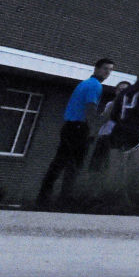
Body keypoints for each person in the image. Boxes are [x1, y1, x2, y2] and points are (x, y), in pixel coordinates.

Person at [35, 57, 113, 208]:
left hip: (69, 126)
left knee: (60, 162)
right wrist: (97, 125)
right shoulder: (95, 86)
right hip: (78, 127)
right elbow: (90, 109)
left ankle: (44, 197)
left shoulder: (83, 84)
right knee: (75, 164)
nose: (107, 73)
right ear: (96, 68)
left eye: (110, 70)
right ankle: (65, 198)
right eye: (105, 69)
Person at [108, 67, 139, 204]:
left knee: (117, 172)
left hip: (118, 132)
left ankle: (112, 200)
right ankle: (137, 204)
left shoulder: (124, 92)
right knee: (138, 172)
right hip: (134, 133)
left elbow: (114, 114)